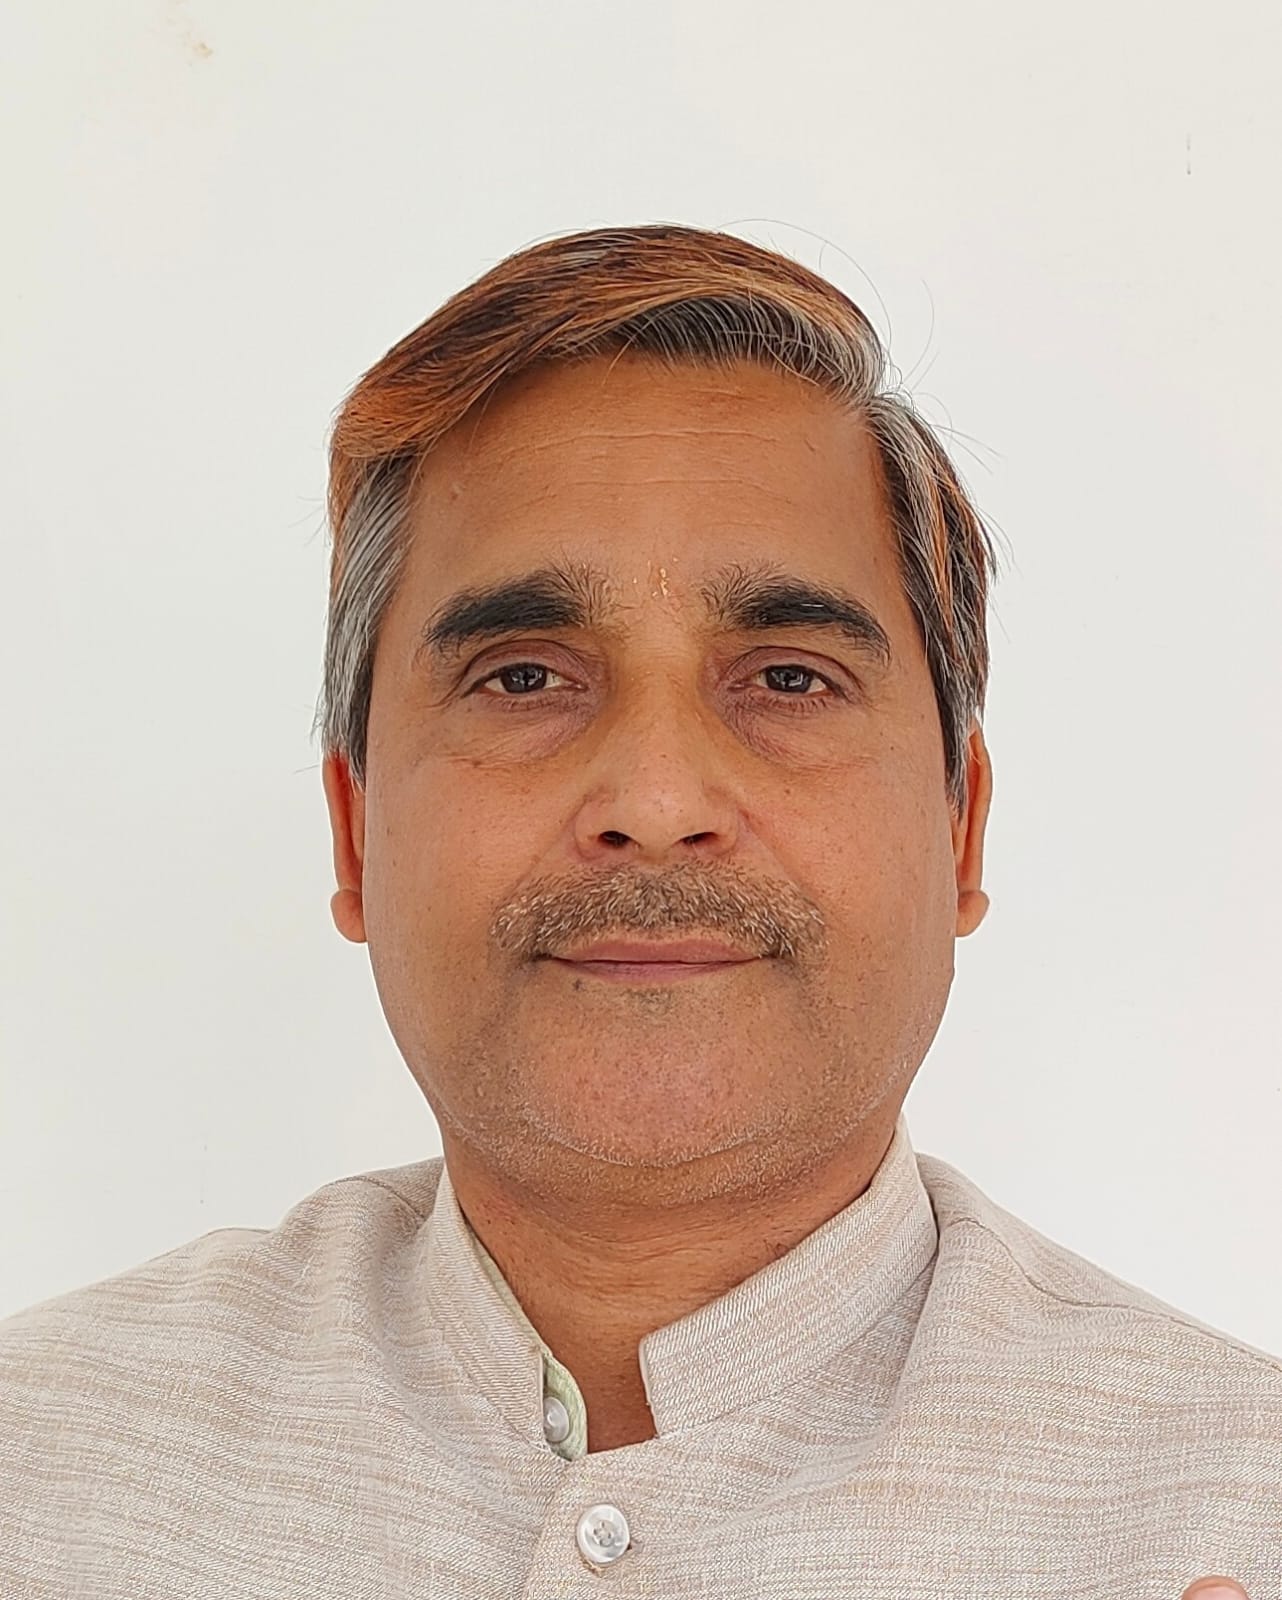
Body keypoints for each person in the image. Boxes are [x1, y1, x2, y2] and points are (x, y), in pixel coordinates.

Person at [1, 224, 1275, 1599]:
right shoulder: (42, 1473)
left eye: (787, 678)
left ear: (958, 825)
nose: (657, 800)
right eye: (523, 677)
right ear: (356, 833)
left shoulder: (1232, 1510)